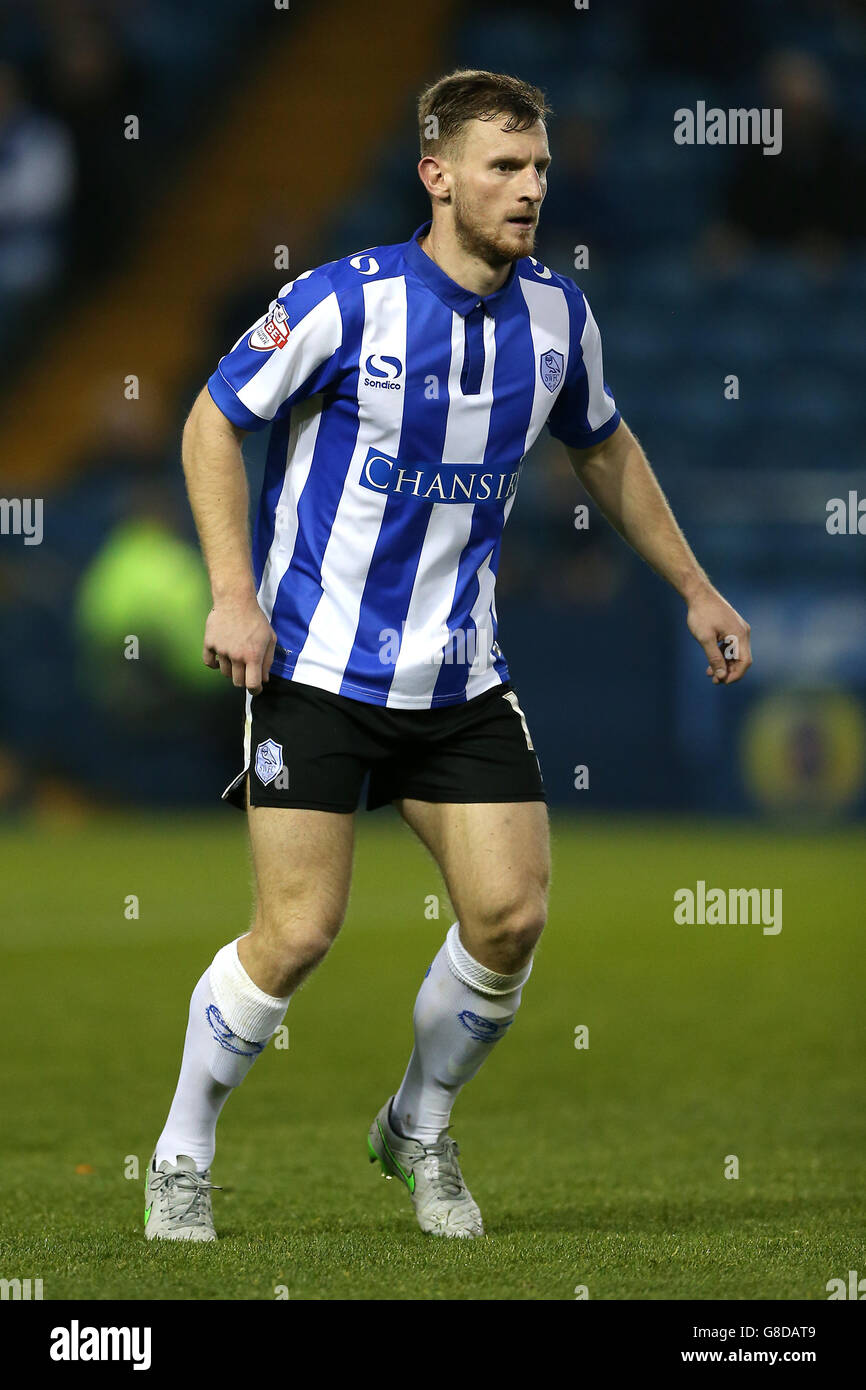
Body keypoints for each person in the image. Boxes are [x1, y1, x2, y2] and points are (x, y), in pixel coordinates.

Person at [145, 68, 752, 1242]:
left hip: (459, 680)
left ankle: (415, 1125)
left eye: (538, 169)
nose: (528, 190)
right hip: (314, 669)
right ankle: (180, 1148)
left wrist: (693, 586)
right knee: (296, 933)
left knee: (509, 919)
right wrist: (231, 592)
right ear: (437, 176)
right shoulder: (342, 303)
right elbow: (213, 420)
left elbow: (604, 445)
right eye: (502, 168)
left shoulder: (557, 318)